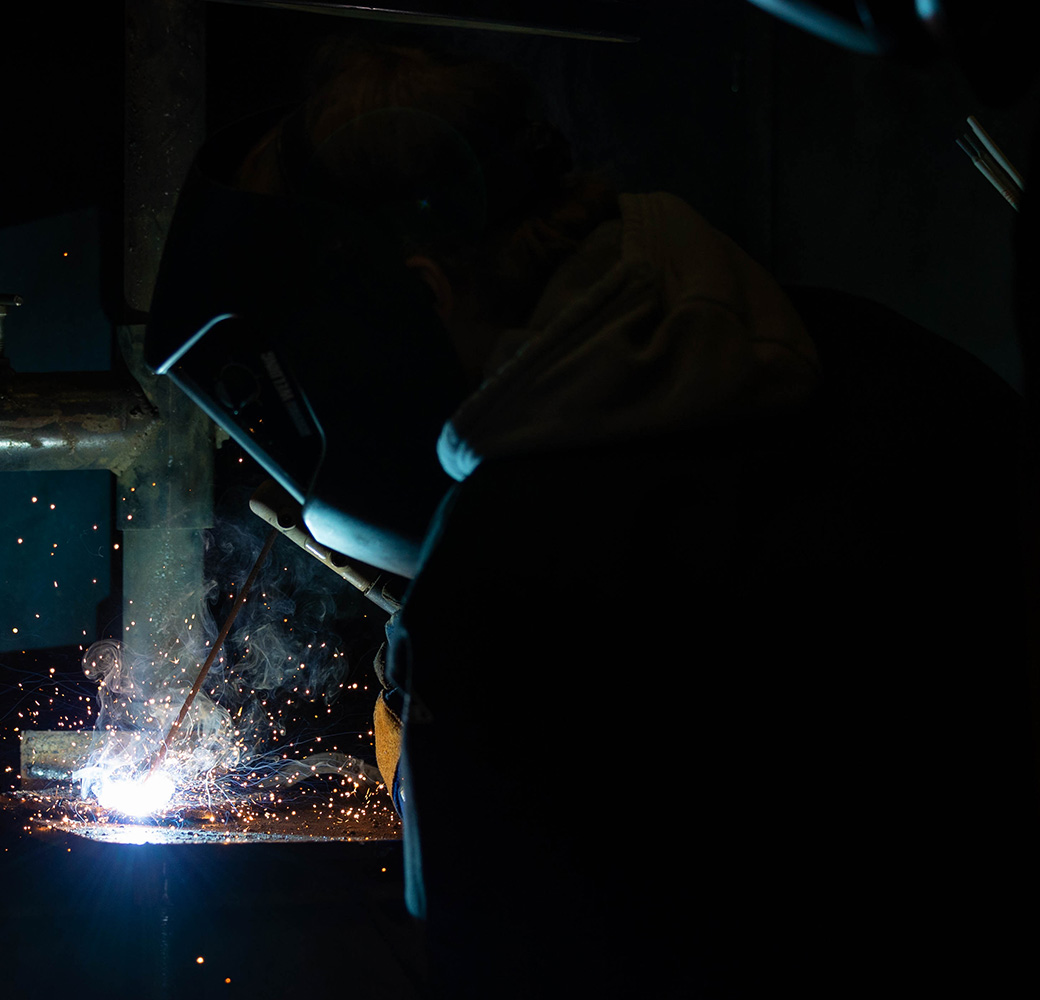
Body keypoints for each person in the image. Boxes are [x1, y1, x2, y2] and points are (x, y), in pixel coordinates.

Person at [233, 34, 1038, 998]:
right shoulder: (877, 352)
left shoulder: (514, 569)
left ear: (420, 292)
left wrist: (439, 662)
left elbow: (501, 946)